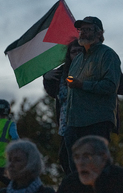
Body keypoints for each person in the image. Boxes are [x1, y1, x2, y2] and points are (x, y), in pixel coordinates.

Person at [64, 16, 122, 172]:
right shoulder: (77, 60)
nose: (82, 33)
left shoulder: (107, 55)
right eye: (81, 29)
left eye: (87, 29)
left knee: (98, 171)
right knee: (75, 172)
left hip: (96, 123)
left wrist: (82, 84)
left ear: (99, 33)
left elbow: (110, 86)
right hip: (73, 124)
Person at [57, 135, 123, 193]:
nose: (80, 163)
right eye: (77, 157)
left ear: (103, 157)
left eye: (87, 156)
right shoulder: (70, 184)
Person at [43, 38, 84, 174]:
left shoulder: (91, 67)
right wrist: (47, 77)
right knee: (65, 158)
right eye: (73, 51)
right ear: (69, 55)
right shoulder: (63, 72)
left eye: (80, 50)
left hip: (86, 122)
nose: (76, 54)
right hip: (66, 124)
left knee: (82, 159)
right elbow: (54, 92)